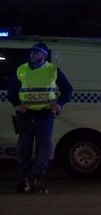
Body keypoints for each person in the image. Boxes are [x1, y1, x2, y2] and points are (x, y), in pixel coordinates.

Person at [7, 42, 73, 193]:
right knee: (24, 148)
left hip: (44, 114)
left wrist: (59, 104)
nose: (33, 54)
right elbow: (11, 90)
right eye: (32, 52)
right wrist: (17, 104)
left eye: (37, 52)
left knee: (43, 149)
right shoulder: (22, 69)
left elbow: (68, 89)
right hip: (26, 115)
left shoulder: (52, 70)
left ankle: (36, 180)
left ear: (44, 55)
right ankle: (23, 181)